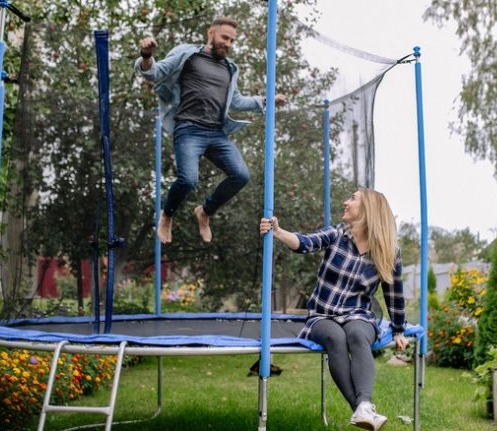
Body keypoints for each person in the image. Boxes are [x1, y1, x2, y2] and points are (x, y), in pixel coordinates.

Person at [259, 189, 408, 431]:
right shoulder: (337, 234)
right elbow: (305, 243)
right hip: (322, 314)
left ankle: (364, 407)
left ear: (368, 209)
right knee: (335, 337)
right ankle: (363, 409)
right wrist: (278, 232)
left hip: (357, 314)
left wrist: (399, 329)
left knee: (358, 335)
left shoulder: (389, 249)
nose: (345, 202)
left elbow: (394, 293)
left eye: (353, 199)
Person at [136, 16, 287, 244]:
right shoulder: (188, 55)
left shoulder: (229, 68)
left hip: (216, 133)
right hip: (188, 129)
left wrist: (267, 101)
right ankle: (167, 215)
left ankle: (204, 212)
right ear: (211, 34)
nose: (228, 43)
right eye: (224, 37)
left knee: (241, 175)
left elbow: (236, 101)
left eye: (232, 40)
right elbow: (153, 73)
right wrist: (146, 56)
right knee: (188, 180)